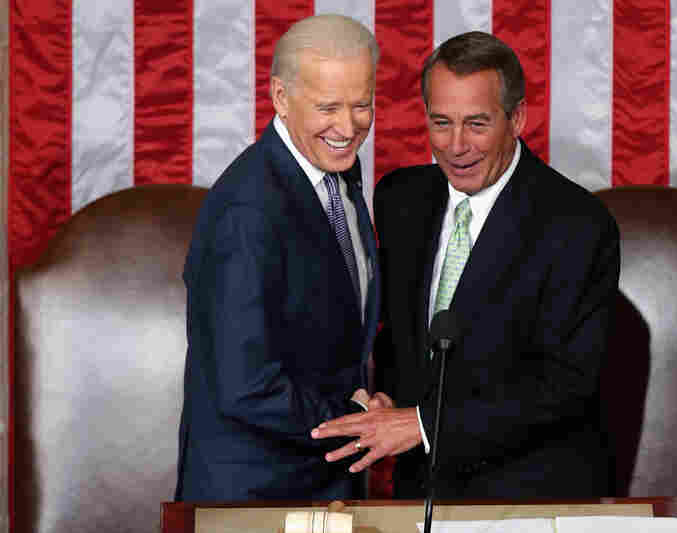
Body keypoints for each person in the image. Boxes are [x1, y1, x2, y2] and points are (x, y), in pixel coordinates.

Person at [311, 31, 620, 499]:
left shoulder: (577, 224)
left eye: (476, 124)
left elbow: (564, 386)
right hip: (420, 492)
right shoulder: (401, 199)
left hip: (526, 495)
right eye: (441, 123)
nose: (455, 146)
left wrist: (420, 424)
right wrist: (389, 398)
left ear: (516, 118)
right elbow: (402, 341)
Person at [175, 14, 381, 501]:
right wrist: (355, 421)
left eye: (362, 105)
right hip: (255, 498)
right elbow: (247, 386)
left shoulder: (333, 172)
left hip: (323, 486)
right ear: (281, 98)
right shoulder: (246, 211)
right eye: (328, 107)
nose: (348, 127)